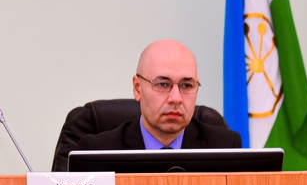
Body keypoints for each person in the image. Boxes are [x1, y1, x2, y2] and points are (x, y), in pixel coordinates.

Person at [75, 39, 242, 152]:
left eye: (186, 85)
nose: (176, 98)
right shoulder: (98, 151)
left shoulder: (225, 147)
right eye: (163, 84)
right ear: (137, 88)